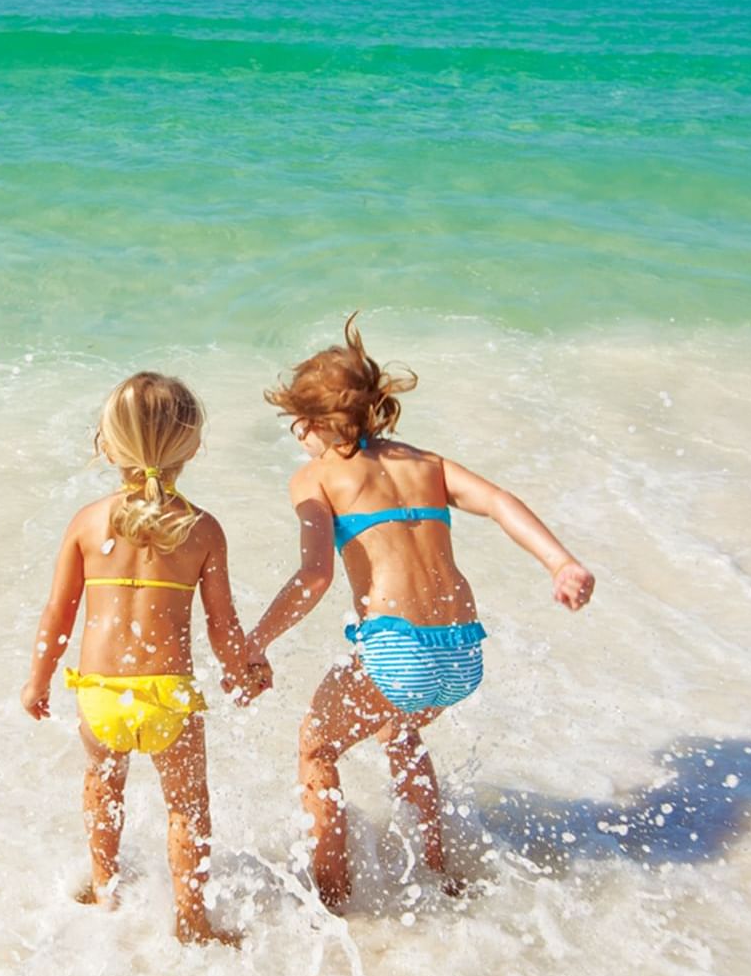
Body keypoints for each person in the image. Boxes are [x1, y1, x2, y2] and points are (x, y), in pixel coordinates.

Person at [246, 314, 595, 912]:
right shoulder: (427, 464)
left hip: (399, 651)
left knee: (317, 747)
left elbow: (315, 576)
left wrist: (256, 640)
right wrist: (561, 564)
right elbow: (499, 502)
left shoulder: (316, 477)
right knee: (398, 730)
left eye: (297, 423)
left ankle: (332, 898)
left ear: (314, 424)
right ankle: (437, 870)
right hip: (461, 651)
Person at [20, 371, 270, 944]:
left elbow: (57, 614)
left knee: (103, 788)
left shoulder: (87, 522)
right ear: (193, 447)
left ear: (107, 445)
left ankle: (106, 892)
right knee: (186, 807)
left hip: (99, 695)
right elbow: (222, 625)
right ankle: (192, 922)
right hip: (169, 700)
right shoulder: (203, 530)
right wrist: (242, 671)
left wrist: (37, 680)